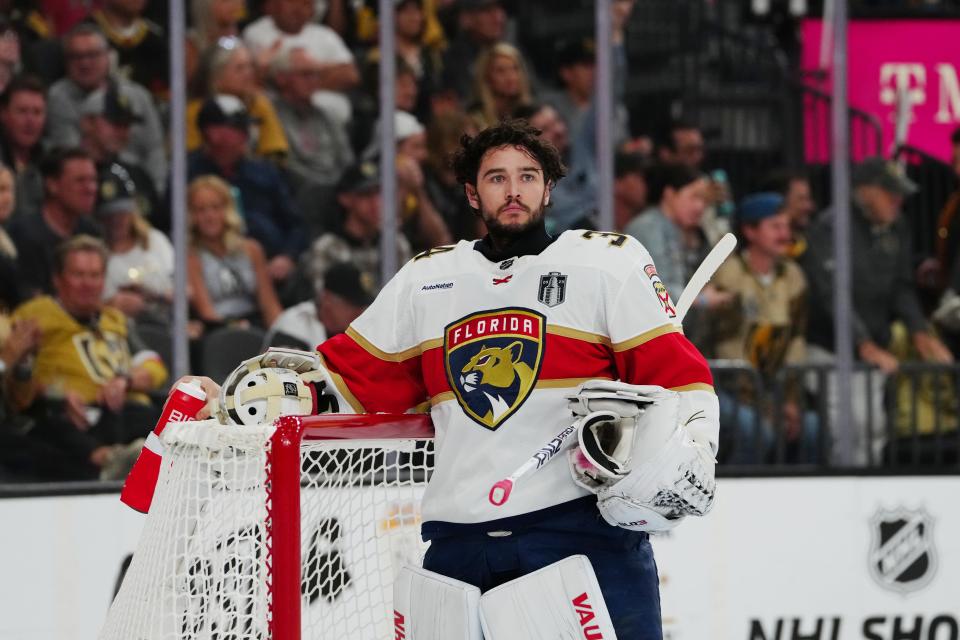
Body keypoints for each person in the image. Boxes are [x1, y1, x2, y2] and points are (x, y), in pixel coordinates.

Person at [182, 120, 719, 638]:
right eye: (496, 178)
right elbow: (345, 381)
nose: (514, 191)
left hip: (576, 532)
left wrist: (695, 446)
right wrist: (238, 403)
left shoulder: (608, 265)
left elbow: (678, 376)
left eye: (528, 176)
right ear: (471, 194)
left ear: (549, 189)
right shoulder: (427, 279)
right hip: (460, 542)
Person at [801, 157, 954, 464]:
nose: (898, 200)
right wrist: (863, 343)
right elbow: (833, 295)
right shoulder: (830, 229)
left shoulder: (897, 226)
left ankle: (862, 500)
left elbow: (902, 286)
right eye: (889, 193)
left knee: (874, 427)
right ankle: (840, 496)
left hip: (872, 347)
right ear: (866, 191)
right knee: (849, 426)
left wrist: (920, 332)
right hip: (831, 349)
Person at [8, 234, 167, 480]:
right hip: (67, 415)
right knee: (50, 427)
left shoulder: (114, 319)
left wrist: (126, 381)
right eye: (78, 275)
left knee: (154, 416)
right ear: (58, 280)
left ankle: (131, 459)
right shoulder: (34, 317)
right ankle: (112, 461)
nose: (88, 284)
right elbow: (17, 390)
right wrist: (55, 396)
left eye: (95, 276)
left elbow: (154, 364)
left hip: (121, 411)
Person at [711, 193, 819, 464]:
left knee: (813, 428)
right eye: (775, 227)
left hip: (777, 391)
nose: (785, 234)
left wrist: (792, 400)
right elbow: (728, 346)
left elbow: (796, 339)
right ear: (750, 231)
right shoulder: (729, 273)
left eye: (787, 227)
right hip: (730, 388)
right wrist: (768, 406)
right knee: (756, 431)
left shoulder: (793, 276)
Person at [188, 95, 306, 291]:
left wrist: (287, 257)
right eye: (237, 128)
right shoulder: (188, 173)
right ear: (212, 133)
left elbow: (296, 224)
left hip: (272, 269)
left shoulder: (265, 171)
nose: (247, 134)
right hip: (211, 274)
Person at [46, 24, 167, 193]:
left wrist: (155, 192)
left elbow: (154, 150)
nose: (85, 63)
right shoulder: (58, 96)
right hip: (92, 187)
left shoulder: (137, 96)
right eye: (76, 57)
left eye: (92, 55)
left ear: (108, 56)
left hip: (140, 186)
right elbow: (71, 156)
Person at [186, 174, 282, 335]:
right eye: (201, 210)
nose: (209, 216)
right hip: (216, 329)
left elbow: (269, 305)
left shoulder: (252, 249)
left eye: (216, 207)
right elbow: (206, 312)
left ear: (228, 209)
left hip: (254, 324)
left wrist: (284, 333)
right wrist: (235, 328)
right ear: (192, 216)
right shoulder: (190, 257)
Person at [302, 159, 412, 294]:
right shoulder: (326, 249)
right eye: (366, 194)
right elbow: (326, 303)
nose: (376, 202)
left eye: (379, 192)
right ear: (345, 198)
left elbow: (407, 295)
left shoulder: (395, 243)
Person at [8, 147, 101, 298]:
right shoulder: (24, 234)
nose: (90, 188)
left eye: (93, 180)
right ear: (52, 185)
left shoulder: (91, 232)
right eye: (80, 180)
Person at [97, 163, 174, 328]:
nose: (116, 221)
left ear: (133, 212)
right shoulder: (98, 255)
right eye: (109, 215)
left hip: (166, 324)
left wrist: (151, 294)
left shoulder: (155, 240)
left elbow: (185, 293)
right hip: (123, 328)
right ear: (100, 218)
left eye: (121, 213)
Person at [263, 261, 375, 351]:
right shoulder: (294, 326)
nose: (360, 312)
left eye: (363, 306)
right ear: (327, 299)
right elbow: (284, 377)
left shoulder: (362, 331)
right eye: (352, 305)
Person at [0, 74, 46, 219]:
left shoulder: (51, 161)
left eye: (37, 112)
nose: (30, 121)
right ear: (3, 114)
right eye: (22, 111)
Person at [760, 168, 816, 259]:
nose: (809, 206)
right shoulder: (759, 254)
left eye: (808, 199)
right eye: (801, 200)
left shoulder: (814, 244)